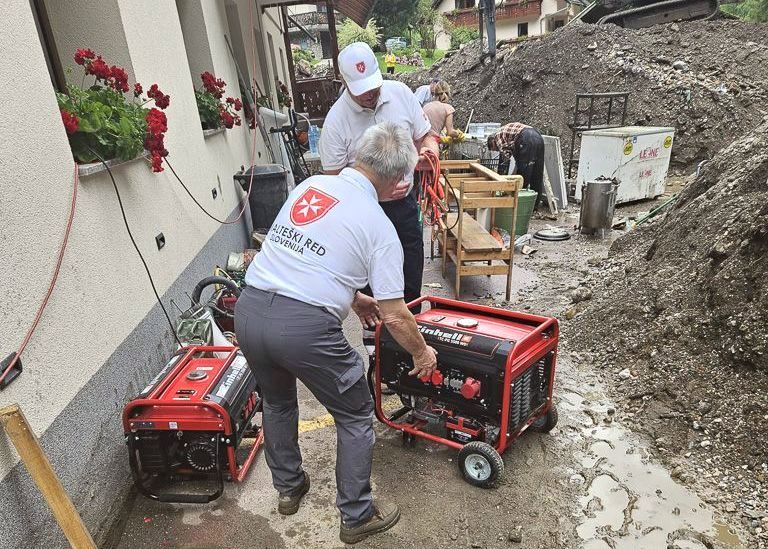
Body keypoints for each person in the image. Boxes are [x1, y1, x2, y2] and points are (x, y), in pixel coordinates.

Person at [235, 122, 438, 545]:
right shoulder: (380, 227)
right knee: (355, 415)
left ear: (358, 157)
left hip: (250, 311)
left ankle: (289, 490)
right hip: (303, 330)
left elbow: (306, 258)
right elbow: (397, 315)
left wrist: (352, 298)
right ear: (399, 179)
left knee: (276, 403)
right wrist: (422, 354)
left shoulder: (310, 188)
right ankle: (357, 515)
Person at [319, 42, 439, 310]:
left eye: (373, 86)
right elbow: (334, 183)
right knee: (373, 294)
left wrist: (430, 153)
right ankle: (378, 346)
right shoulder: (336, 121)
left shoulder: (401, 94)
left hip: (405, 208)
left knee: (409, 282)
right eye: (362, 90)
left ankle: (412, 331)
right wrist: (377, 190)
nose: (370, 94)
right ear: (345, 82)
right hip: (363, 217)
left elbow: (426, 136)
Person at [487, 122, 545, 208]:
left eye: (494, 149)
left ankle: (520, 204)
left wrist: (503, 179)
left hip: (526, 137)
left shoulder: (497, 137)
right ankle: (534, 206)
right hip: (538, 136)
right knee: (537, 173)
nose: (497, 150)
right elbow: (515, 155)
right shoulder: (506, 135)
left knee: (523, 175)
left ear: (492, 142)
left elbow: (505, 160)